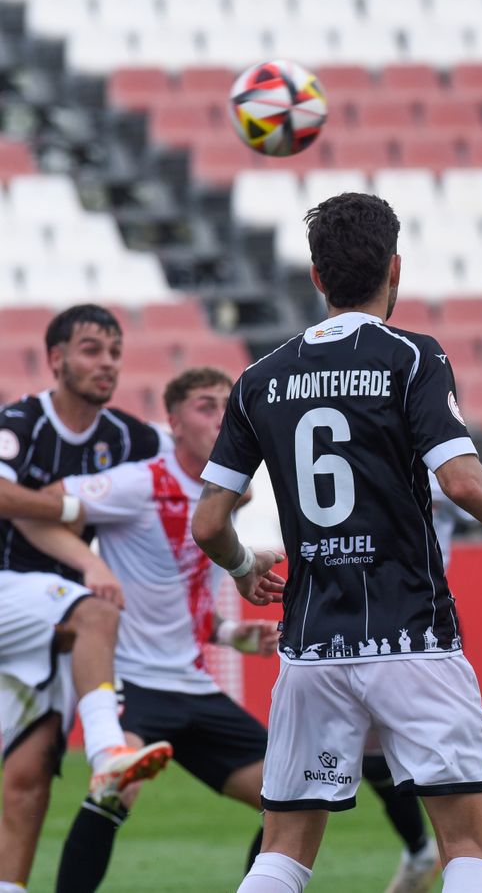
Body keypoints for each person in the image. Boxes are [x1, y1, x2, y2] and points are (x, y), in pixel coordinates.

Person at [191, 192, 482, 893]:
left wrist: (242, 569)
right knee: (469, 848)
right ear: (396, 268)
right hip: (410, 638)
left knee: (284, 852)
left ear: (316, 277)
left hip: (312, 643)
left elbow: (209, 523)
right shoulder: (413, 358)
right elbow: (462, 481)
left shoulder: (259, 380)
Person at [6, 367, 278, 890]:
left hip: (194, 684)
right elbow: (35, 511)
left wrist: (229, 635)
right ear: (173, 423)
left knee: (289, 796)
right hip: (135, 683)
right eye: (205, 406)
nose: (221, 417)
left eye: (227, 404)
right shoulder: (139, 482)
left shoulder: (227, 493)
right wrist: (90, 564)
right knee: (113, 791)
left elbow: (179, 590)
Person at [0, 305, 178, 893]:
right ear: (56, 359)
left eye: (115, 352)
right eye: (91, 350)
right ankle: (107, 752)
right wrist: (80, 525)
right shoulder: (23, 420)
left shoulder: (128, 436)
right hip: (14, 590)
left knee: (28, 780)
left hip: (52, 616)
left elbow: (185, 468)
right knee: (98, 610)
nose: (107, 364)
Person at [359, 472, 482, 893]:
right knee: (370, 758)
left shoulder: (431, 452)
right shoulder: (362, 432)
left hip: (419, 619)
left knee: (452, 760)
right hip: (350, 614)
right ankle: (419, 850)